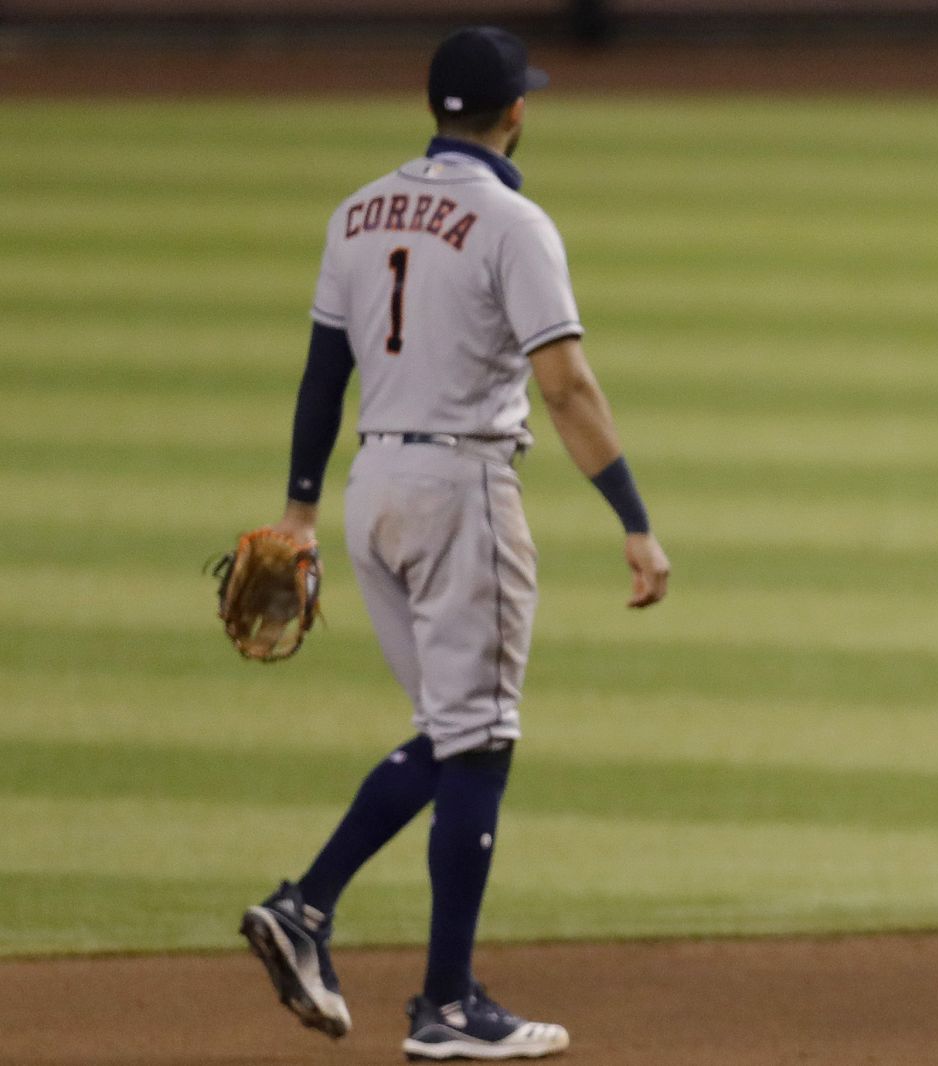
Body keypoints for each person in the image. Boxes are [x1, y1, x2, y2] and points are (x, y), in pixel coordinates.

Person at [238, 26, 670, 1061]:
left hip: (368, 489)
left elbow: (319, 375)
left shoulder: (355, 210)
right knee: (479, 738)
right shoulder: (513, 221)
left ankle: (317, 917)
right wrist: (635, 518)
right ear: (514, 111)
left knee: (450, 730)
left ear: (434, 108)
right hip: (461, 485)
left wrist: (297, 511)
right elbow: (563, 383)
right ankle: (435, 997)